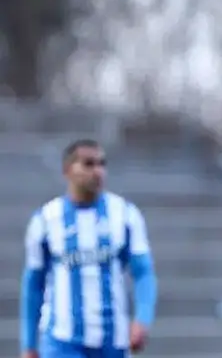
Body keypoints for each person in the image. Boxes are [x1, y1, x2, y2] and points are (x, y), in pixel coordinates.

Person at [20, 139, 158, 358]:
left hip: (112, 341)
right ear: (67, 170)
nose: (98, 171)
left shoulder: (125, 214)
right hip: (62, 341)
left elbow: (143, 272)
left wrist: (143, 318)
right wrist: (29, 344)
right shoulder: (46, 220)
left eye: (102, 164)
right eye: (88, 164)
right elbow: (33, 283)